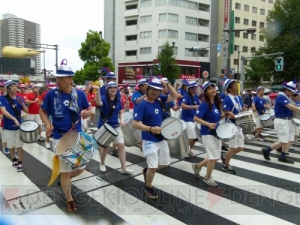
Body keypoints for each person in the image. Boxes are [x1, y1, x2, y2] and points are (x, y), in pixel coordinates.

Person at [39, 64, 93, 211]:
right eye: (57, 78)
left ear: (70, 79)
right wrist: (47, 123)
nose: (58, 80)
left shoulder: (80, 94)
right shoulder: (51, 94)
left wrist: (89, 113)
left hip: (77, 137)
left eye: (61, 78)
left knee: (80, 169)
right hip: (59, 137)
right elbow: (42, 111)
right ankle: (69, 198)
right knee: (65, 172)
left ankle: (64, 179)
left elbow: (88, 109)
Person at [132, 78, 178, 199]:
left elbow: (175, 95)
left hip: (161, 137)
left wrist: (167, 84)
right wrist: (151, 129)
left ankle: (146, 171)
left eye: (158, 90)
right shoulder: (142, 105)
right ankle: (148, 187)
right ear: (148, 89)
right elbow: (135, 124)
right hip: (149, 138)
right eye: (153, 89)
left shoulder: (159, 100)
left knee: (165, 163)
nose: (155, 92)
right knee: (153, 166)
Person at [192, 82, 233, 187]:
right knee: (213, 158)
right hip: (207, 134)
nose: (213, 90)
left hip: (216, 134)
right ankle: (207, 178)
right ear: (206, 92)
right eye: (210, 89)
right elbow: (196, 118)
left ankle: (198, 166)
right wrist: (208, 124)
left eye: (213, 88)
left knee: (215, 157)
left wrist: (225, 115)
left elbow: (216, 119)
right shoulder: (204, 104)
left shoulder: (215, 104)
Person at [95, 81, 134, 174]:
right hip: (105, 127)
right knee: (105, 147)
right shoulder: (104, 99)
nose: (113, 89)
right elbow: (98, 102)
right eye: (111, 88)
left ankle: (123, 168)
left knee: (121, 146)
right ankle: (102, 164)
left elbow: (121, 111)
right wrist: (98, 91)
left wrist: (121, 120)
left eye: (115, 88)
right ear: (107, 90)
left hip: (116, 126)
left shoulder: (118, 100)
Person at [261, 82, 300, 163]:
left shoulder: (287, 97)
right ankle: (267, 150)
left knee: (290, 139)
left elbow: (294, 106)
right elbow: (291, 107)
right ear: (286, 90)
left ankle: (283, 156)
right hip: (282, 121)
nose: (293, 93)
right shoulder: (281, 97)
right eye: (291, 91)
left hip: (289, 120)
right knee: (283, 141)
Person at [0, 80, 28, 172]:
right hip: (7, 126)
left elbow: (27, 111)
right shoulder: (2, 98)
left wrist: (22, 104)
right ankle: (14, 159)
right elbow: (3, 111)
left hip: (19, 126)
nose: (15, 87)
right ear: (7, 88)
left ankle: (20, 162)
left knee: (19, 145)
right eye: (12, 86)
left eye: (16, 86)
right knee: (11, 145)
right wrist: (14, 118)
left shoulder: (20, 98)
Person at [221, 79, 246, 174]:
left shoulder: (239, 98)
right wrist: (228, 113)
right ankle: (225, 166)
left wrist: (246, 109)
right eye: (235, 85)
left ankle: (225, 156)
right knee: (233, 148)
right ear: (230, 89)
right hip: (231, 126)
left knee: (240, 148)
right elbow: (225, 111)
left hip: (239, 125)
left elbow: (241, 108)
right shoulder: (227, 99)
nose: (237, 86)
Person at [181, 81, 200, 158]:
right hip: (187, 119)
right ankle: (186, 151)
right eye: (195, 87)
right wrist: (193, 107)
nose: (196, 89)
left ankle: (188, 150)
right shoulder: (186, 96)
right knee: (192, 137)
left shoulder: (196, 96)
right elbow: (183, 105)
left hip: (194, 119)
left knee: (195, 138)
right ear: (191, 89)